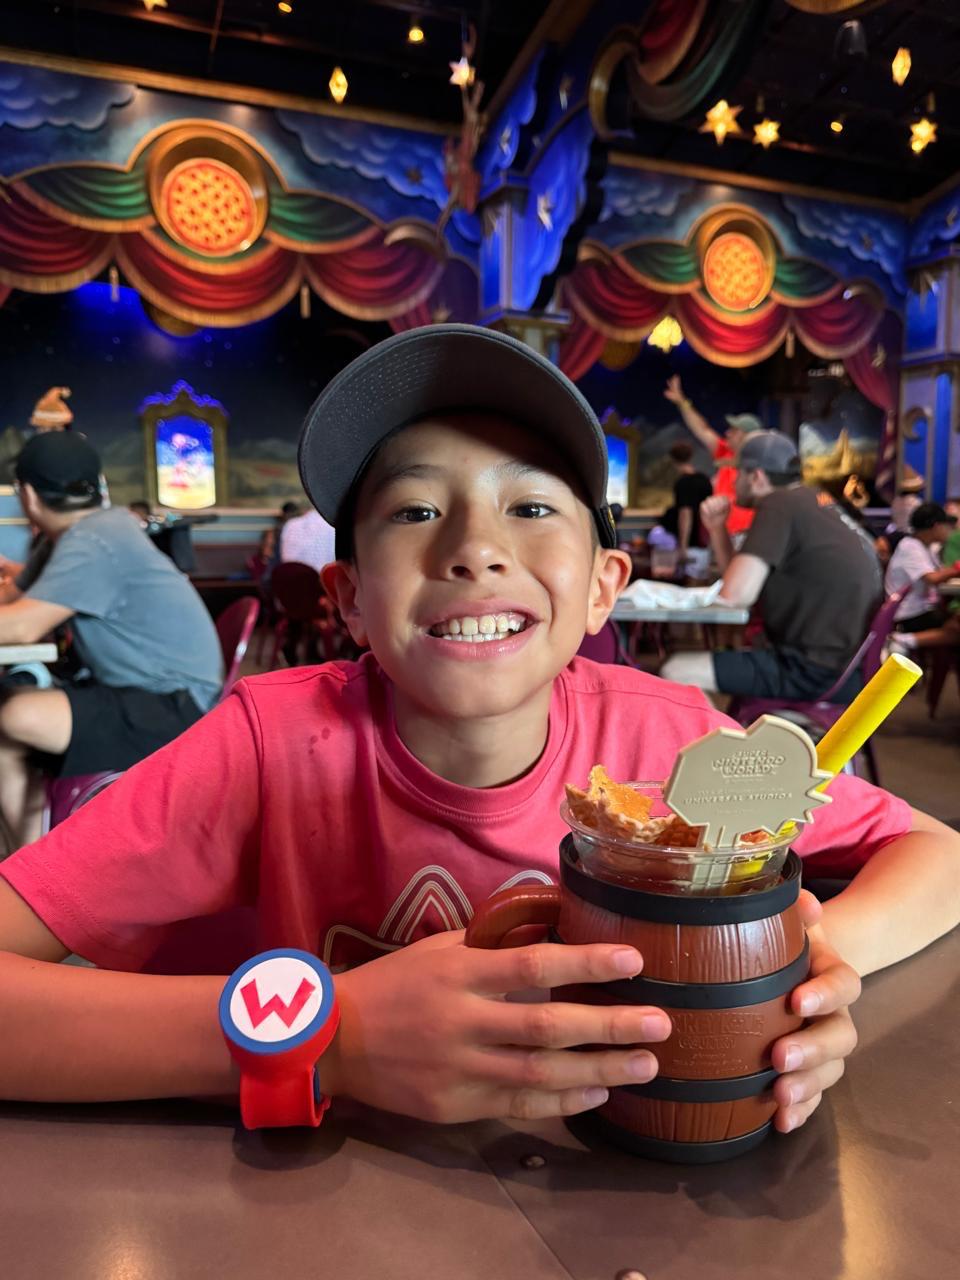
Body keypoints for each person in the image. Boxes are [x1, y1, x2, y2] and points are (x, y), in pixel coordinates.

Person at [0, 326, 957, 1138]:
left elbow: (937, 851)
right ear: (350, 599)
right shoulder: (266, 745)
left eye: (531, 507)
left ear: (602, 588)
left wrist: (806, 966)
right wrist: (331, 1036)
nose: (474, 548)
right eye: (416, 510)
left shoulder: (668, 747)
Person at [0, 432, 224, 849]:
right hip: (147, 692)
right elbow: (11, 599)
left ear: (27, 495)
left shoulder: (93, 539)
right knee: (8, 727)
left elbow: (21, 626)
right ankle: (29, 861)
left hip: (176, 705)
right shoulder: (77, 533)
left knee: (14, 713)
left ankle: (36, 862)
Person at [661, 431, 882, 701]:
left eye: (737, 473)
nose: (733, 483)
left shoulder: (778, 504)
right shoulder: (813, 500)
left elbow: (735, 595)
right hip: (848, 667)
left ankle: (719, 733)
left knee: (674, 670)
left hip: (811, 669)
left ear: (756, 477)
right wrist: (718, 529)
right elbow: (741, 581)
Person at [663, 375, 762, 536]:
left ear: (747, 435)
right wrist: (682, 402)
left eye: (734, 430)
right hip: (722, 534)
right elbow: (702, 429)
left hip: (748, 534)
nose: (728, 433)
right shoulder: (725, 452)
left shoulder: (761, 461)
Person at [885, 503, 960, 654]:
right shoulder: (910, 547)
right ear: (936, 526)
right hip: (909, 613)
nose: (950, 531)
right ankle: (903, 640)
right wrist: (956, 568)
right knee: (956, 630)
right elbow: (932, 578)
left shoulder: (924, 546)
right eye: (947, 526)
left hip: (922, 609)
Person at [660, 441, 712, 563]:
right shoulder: (704, 479)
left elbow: (685, 513)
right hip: (705, 540)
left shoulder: (684, 483)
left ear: (673, 460)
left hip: (692, 544)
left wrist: (683, 546)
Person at [279, 504, 337, 573]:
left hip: (292, 574)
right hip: (322, 575)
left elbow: (284, 556)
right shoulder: (331, 527)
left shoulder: (290, 524)